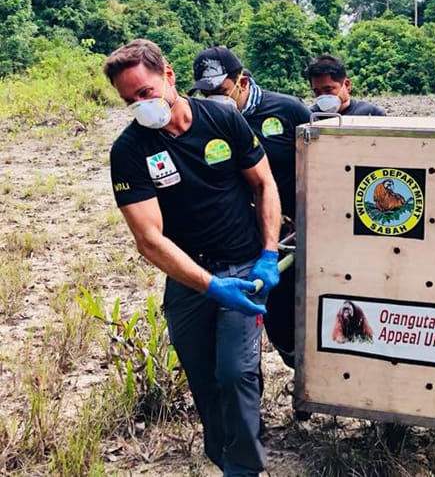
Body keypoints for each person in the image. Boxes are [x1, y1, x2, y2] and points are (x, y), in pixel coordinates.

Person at [104, 39, 282, 476]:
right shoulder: (130, 151)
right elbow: (149, 239)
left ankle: (243, 468)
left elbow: (264, 185)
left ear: (168, 75)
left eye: (145, 93)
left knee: (236, 371)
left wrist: (269, 253)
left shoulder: (221, 117)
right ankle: (224, 456)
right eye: (130, 101)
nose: (141, 106)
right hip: (187, 277)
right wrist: (208, 285)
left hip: (243, 266)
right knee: (204, 379)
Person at [190, 46, 310, 368]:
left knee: (291, 316)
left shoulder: (287, 110)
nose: (215, 98)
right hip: (240, 238)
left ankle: (302, 374)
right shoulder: (204, 122)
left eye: (221, 90)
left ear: (241, 80)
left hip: (289, 236)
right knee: (257, 324)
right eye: (206, 93)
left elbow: (319, 165)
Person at [306, 55, 386, 116]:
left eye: (328, 90)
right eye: (317, 92)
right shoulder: (310, 116)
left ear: (347, 85)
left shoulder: (371, 113)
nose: (323, 96)